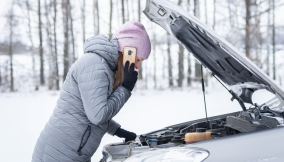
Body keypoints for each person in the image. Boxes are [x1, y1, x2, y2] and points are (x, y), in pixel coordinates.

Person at [32, 22, 151, 162]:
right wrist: (125, 89)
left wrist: (117, 130)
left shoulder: (104, 66)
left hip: (71, 152)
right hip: (58, 154)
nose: (138, 66)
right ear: (127, 51)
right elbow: (97, 115)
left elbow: (88, 112)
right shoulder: (94, 65)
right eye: (138, 59)